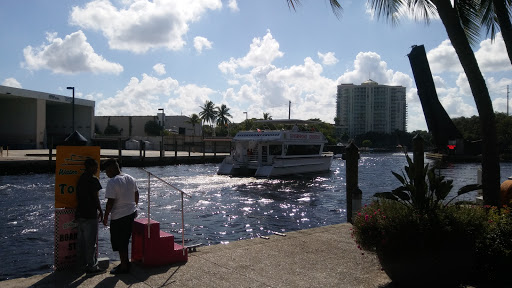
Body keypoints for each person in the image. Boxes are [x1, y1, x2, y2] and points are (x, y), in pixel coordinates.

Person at [102, 158, 139, 274]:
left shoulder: (112, 182)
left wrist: (106, 216)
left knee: (120, 242)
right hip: (132, 213)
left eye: (107, 171)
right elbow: (136, 194)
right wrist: (133, 206)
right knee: (126, 239)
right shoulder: (131, 178)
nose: (106, 173)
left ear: (112, 168)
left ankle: (124, 267)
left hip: (119, 216)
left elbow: (110, 202)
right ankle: (125, 262)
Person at [76, 158, 105, 275]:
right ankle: (92, 266)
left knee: (81, 241)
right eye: (96, 167)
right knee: (91, 242)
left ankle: (81, 265)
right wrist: (100, 210)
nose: (97, 169)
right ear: (91, 167)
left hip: (80, 213)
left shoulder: (80, 178)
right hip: (90, 214)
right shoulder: (93, 180)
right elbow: (95, 197)